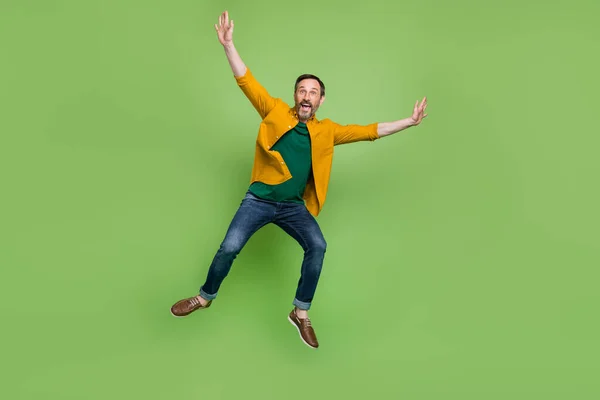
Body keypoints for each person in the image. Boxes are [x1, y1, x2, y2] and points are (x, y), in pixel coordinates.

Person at [171, 10, 428, 349]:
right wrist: (229, 45)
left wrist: (408, 122)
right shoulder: (274, 111)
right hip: (258, 200)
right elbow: (247, 81)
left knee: (317, 245)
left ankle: (300, 313)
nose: (306, 95)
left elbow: (369, 132)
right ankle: (204, 298)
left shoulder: (328, 131)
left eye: (313, 92)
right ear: (295, 96)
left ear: (321, 100)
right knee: (229, 247)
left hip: (293, 207)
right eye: (302, 90)